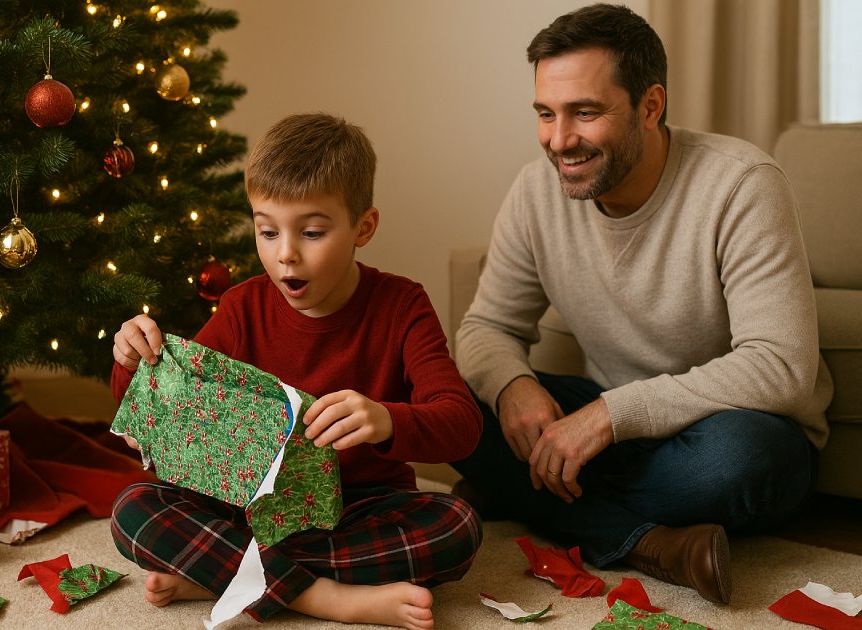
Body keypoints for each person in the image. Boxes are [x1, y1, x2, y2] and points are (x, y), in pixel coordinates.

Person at [451, 3, 832, 606]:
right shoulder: (535, 192)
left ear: (650, 106)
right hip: (614, 429)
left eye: (585, 113)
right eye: (546, 114)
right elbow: (487, 326)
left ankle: (525, 491)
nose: (559, 140)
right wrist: (512, 388)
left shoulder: (742, 183)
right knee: (453, 399)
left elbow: (781, 368)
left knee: (739, 463)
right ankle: (650, 544)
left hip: (728, 430)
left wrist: (607, 416)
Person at [109, 112, 483, 630]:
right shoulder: (243, 307)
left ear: (363, 227)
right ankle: (321, 596)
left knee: (457, 526)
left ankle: (225, 576)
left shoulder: (402, 305)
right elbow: (166, 409)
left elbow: (462, 423)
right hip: (252, 510)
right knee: (133, 508)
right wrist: (132, 362)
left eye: (310, 232)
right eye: (267, 231)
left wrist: (387, 420)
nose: (285, 255)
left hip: (362, 507)